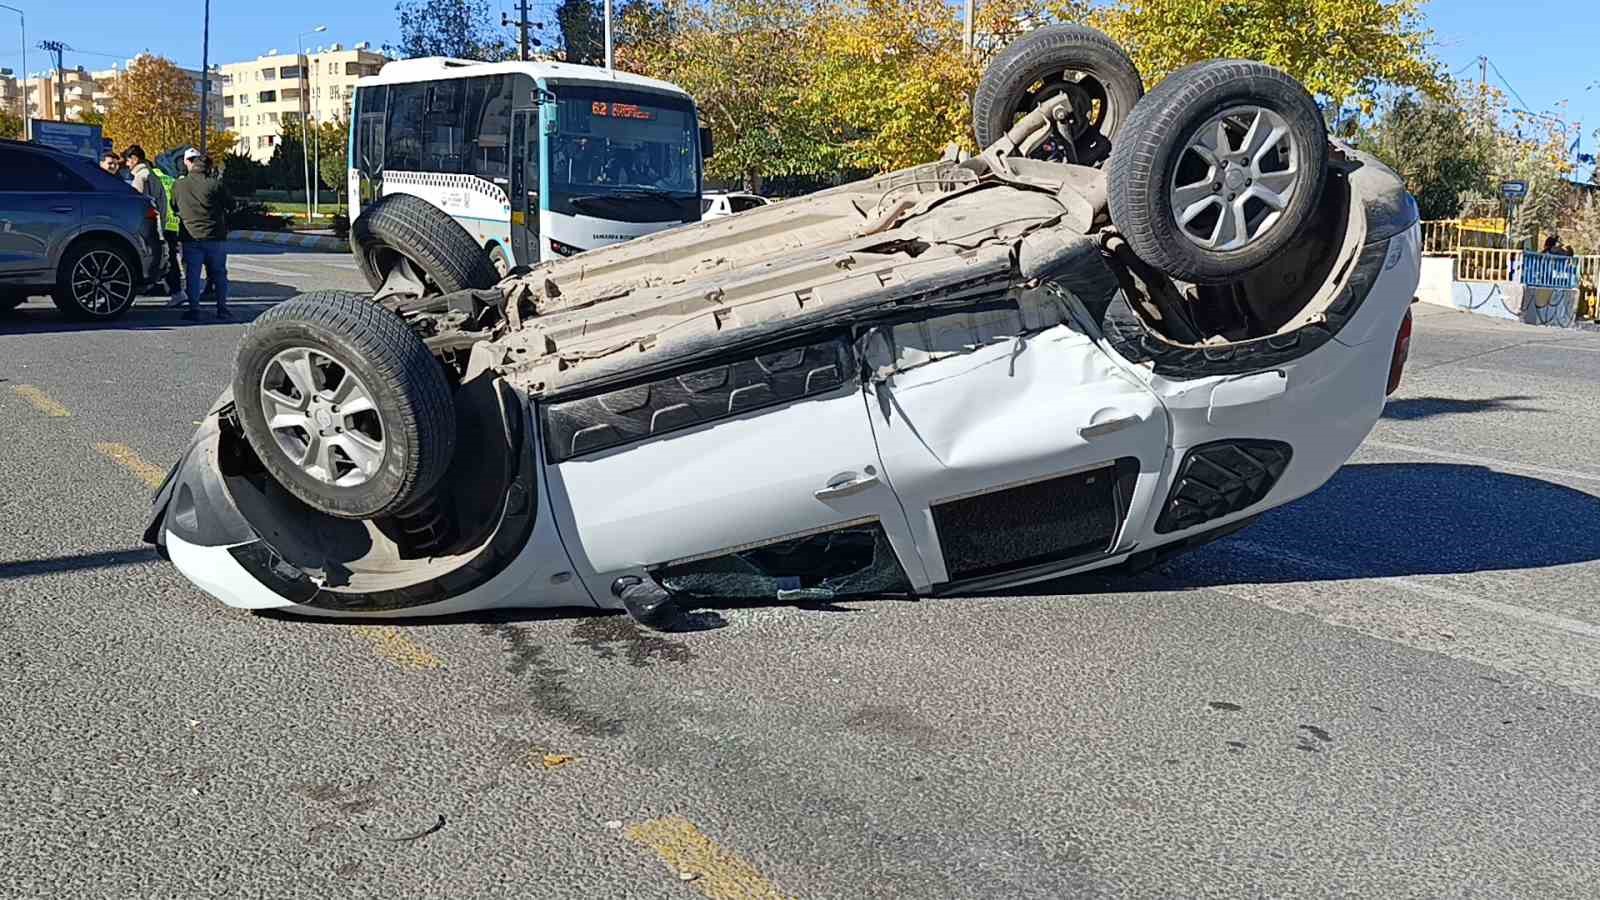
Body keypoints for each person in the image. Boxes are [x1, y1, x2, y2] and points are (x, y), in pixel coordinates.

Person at [171, 148, 233, 321]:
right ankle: (222, 308)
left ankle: (194, 309)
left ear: (191, 164)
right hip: (215, 236)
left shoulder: (179, 185)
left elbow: (173, 206)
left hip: (190, 236)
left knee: (192, 274)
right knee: (219, 273)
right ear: (208, 167)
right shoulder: (215, 184)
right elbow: (231, 204)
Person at [122, 145, 182, 299]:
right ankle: (175, 290)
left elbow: (137, 203)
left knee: (159, 258)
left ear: (135, 159)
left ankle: (173, 290)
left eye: (128, 161)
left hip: (155, 224)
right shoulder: (158, 173)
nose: (127, 165)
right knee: (169, 257)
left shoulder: (141, 176)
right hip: (170, 221)